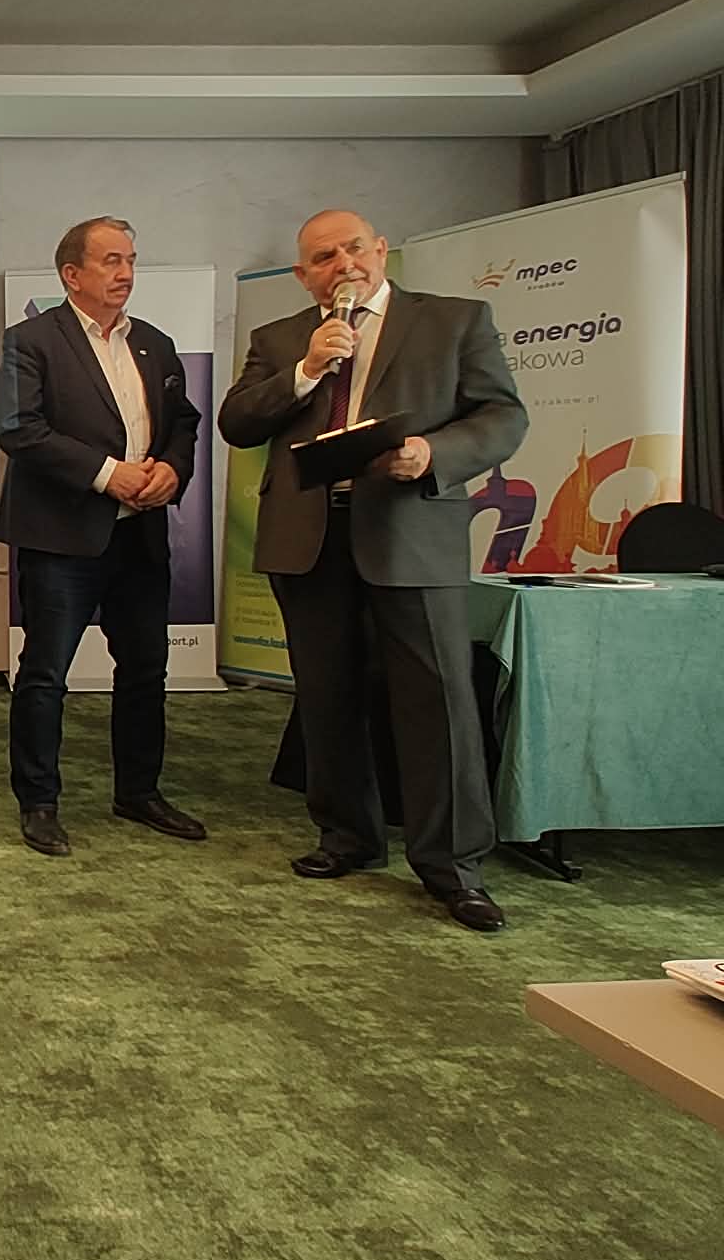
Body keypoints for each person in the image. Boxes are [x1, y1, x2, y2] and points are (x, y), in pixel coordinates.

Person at [217, 209, 527, 931]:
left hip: (410, 530)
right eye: (324, 257)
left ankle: (453, 867)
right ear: (305, 275)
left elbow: (502, 416)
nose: (343, 265)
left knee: (437, 701)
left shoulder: (454, 321)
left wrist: (434, 454)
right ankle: (347, 836)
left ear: (381, 251)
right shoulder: (280, 338)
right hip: (309, 537)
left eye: (353, 248)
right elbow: (238, 422)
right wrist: (306, 371)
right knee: (327, 695)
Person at [0, 216, 206, 857]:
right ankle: (39, 801)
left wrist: (172, 469)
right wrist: (109, 474)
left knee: (145, 670)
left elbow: (184, 422)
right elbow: (18, 428)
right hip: (62, 537)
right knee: (45, 673)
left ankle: (139, 792)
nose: (126, 273)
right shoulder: (30, 340)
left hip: (140, 535)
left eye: (131, 260)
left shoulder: (156, 344)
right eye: (111, 261)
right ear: (72, 274)